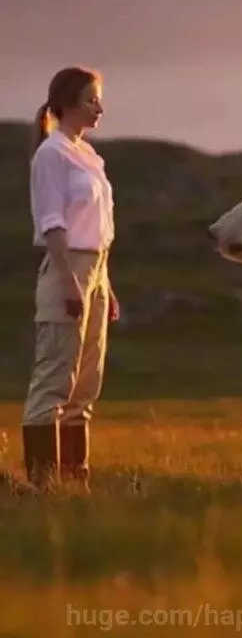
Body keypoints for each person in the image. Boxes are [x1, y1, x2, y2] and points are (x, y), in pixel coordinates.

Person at [22, 66, 120, 491]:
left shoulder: (89, 156)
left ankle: (74, 479)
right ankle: (44, 484)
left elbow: (100, 227)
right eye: (90, 100)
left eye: (99, 99)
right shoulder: (52, 154)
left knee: (86, 380)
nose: (99, 107)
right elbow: (52, 223)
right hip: (68, 267)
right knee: (55, 376)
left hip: (96, 269)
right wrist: (69, 281)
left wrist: (105, 287)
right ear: (66, 103)